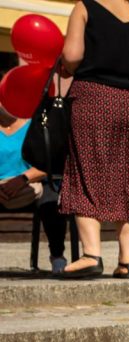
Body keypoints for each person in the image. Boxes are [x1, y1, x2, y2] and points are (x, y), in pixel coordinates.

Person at [58, 0, 129, 279]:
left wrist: (68, 67)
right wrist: (128, 77)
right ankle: (127, 261)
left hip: (94, 98)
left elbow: (71, 56)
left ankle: (91, 255)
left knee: (87, 171)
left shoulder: (85, 7)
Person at [0, 104, 68, 273]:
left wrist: (21, 180)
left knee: (51, 197)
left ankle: (57, 256)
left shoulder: (35, 126)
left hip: (31, 183)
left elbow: (48, 164)